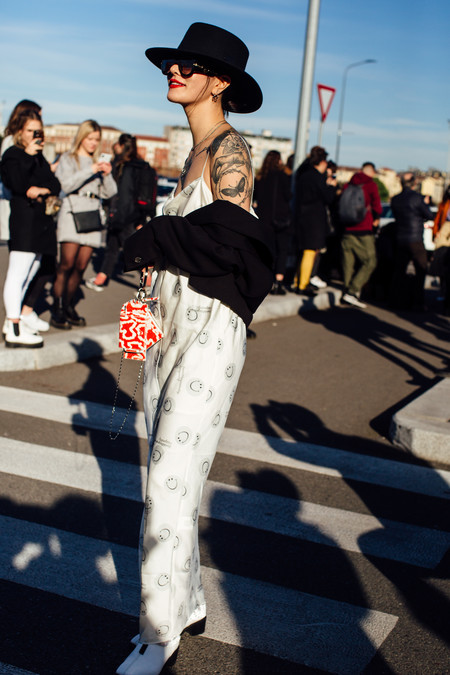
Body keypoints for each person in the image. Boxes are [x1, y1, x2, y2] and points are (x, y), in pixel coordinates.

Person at [116, 22, 273, 675]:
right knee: (160, 477)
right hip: (167, 325)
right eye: (173, 63)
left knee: (172, 488)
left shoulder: (232, 151)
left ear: (222, 82)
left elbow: (234, 248)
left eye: (190, 65)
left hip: (210, 328)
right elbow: (168, 258)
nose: (174, 71)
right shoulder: (190, 154)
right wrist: (139, 329)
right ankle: (188, 601)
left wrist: (155, 237)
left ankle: (159, 634)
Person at [1, 110, 61, 347]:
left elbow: (54, 184)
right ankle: (13, 326)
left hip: (41, 223)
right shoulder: (14, 154)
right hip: (24, 222)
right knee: (18, 273)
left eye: (39, 131)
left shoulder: (39, 157)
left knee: (30, 272)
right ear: (18, 131)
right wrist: (28, 156)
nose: (36, 136)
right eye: (30, 131)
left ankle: (14, 321)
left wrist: (41, 189)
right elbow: (16, 184)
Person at [50, 120, 117, 328]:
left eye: (96, 140)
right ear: (82, 137)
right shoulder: (68, 159)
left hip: (92, 215)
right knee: (66, 264)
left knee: (80, 267)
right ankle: (58, 309)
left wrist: (107, 174)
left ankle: (69, 306)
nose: (93, 143)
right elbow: (65, 184)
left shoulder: (99, 162)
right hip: (72, 212)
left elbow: (111, 192)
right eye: (90, 139)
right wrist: (90, 170)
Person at [86, 133, 157, 291]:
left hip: (123, 216)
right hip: (130, 215)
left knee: (131, 250)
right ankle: (101, 278)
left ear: (120, 145)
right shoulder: (139, 165)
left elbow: (121, 194)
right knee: (112, 248)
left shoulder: (122, 165)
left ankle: (148, 283)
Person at [293, 146, 336, 296]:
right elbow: (328, 198)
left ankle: (297, 281)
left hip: (302, 217)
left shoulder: (303, 175)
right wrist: (331, 187)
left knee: (303, 251)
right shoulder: (318, 178)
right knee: (310, 252)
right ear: (323, 162)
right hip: (314, 219)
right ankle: (303, 285)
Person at [340, 161, 382, 309]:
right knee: (370, 261)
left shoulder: (348, 184)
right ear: (371, 172)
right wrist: (376, 218)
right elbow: (377, 206)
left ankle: (346, 290)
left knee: (348, 261)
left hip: (347, 227)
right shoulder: (371, 185)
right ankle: (352, 291)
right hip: (364, 227)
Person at [390, 172, 434, 310]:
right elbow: (429, 215)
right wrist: (425, 204)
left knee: (399, 271)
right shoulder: (416, 198)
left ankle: (397, 300)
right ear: (414, 183)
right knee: (420, 270)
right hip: (415, 239)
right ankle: (418, 302)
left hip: (400, 238)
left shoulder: (395, 199)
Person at [254, 150, 292, 295]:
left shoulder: (260, 177)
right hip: (280, 219)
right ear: (279, 161)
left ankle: (264, 279)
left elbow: (255, 197)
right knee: (282, 250)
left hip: (264, 219)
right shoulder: (282, 176)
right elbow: (288, 195)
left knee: (266, 250)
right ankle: (278, 282)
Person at [432, 185, 450, 314]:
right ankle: (444, 293)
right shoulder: (444, 204)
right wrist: (436, 233)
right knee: (443, 263)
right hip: (444, 233)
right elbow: (438, 219)